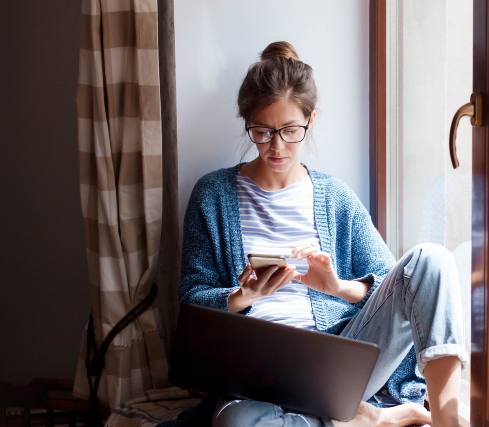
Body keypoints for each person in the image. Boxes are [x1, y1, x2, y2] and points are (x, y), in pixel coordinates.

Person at [179, 41, 467, 427]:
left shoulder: (334, 197)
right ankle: (372, 420)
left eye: (290, 131)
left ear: (311, 120)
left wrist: (337, 287)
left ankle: (446, 416)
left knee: (431, 259)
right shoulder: (212, 195)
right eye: (262, 132)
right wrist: (241, 296)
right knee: (234, 424)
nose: (277, 147)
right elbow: (191, 300)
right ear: (247, 122)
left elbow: (395, 285)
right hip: (254, 378)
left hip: (338, 364)